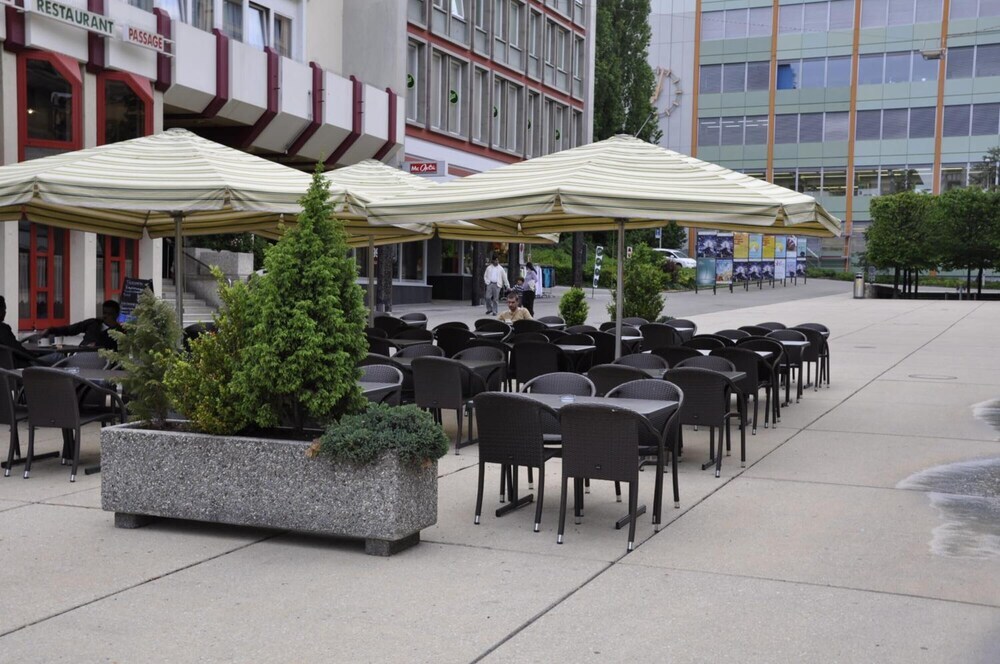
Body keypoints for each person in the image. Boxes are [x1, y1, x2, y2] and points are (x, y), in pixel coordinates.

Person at [42, 299, 123, 351]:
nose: (105, 316)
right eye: (104, 313)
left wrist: (96, 344)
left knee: (56, 358)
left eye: (109, 314)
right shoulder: (94, 323)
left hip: (100, 361)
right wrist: (51, 330)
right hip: (80, 354)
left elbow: (117, 350)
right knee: (53, 358)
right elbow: (71, 329)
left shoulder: (120, 331)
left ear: (116, 315)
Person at [0, 296, 34, 367]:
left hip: (4, 369)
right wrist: (35, 356)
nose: (5, 312)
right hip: (20, 367)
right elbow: (18, 350)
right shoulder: (3, 329)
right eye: (4, 309)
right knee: (57, 356)